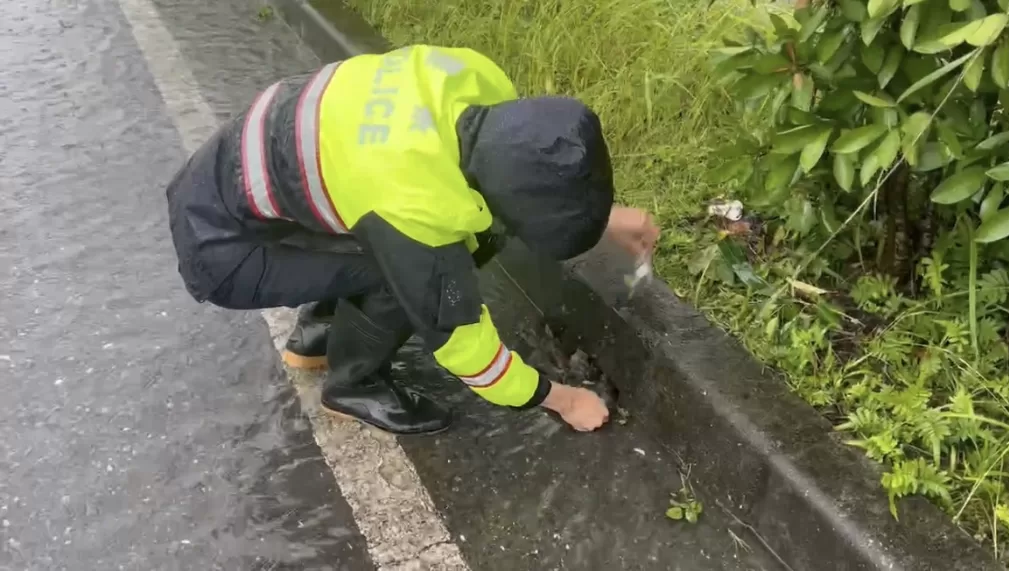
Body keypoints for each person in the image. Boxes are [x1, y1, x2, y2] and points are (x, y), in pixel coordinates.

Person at [164, 44, 660, 435]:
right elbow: (467, 351)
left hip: (235, 178)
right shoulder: (411, 210)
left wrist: (597, 215)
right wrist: (564, 399)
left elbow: (513, 173)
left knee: (452, 238)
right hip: (223, 249)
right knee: (403, 273)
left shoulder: (472, 80)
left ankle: (318, 335)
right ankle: (353, 387)